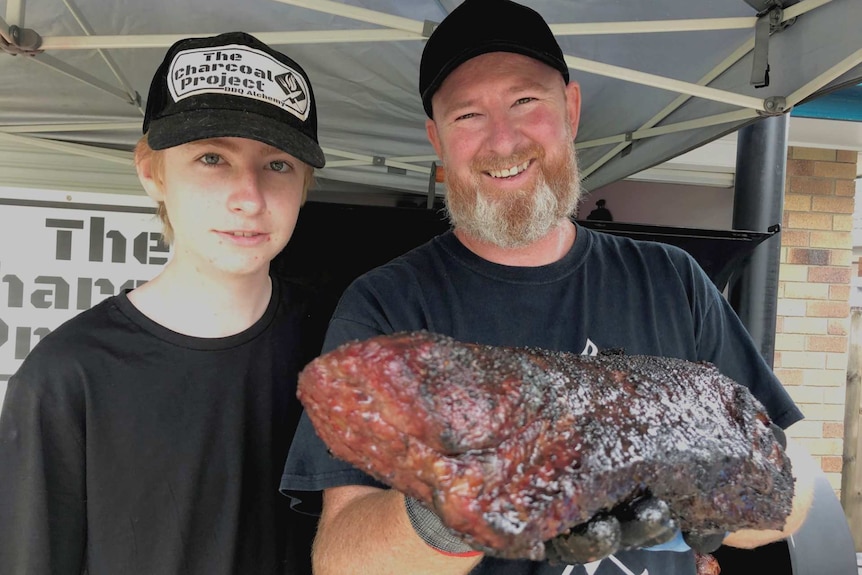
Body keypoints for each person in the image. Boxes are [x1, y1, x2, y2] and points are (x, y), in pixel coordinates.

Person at [280, 1, 814, 574]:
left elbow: (798, 491)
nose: (503, 141)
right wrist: (456, 505)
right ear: (437, 140)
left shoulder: (673, 281)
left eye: (525, 102)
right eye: (467, 116)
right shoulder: (384, 307)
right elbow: (341, 561)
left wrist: (719, 472)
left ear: (571, 109)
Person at [0, 31, 326, 574]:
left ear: (304, 184)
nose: (248, 196)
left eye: (277, 165)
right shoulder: (67, 376)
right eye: (212, 157)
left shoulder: (339, 344)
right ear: (152, 172)